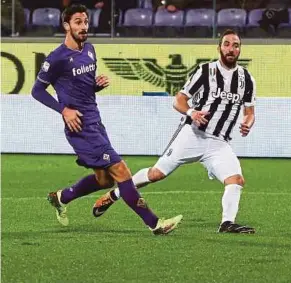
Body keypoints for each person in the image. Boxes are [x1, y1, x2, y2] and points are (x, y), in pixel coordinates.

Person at [31, 4, 182, 235]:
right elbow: (37, 91)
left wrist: (95, 86)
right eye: (78, 22)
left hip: (95, 121)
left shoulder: (90, 50)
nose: (83, 26)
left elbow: (81, 89)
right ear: (66, 26)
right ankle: (155, 224)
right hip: (80, 126)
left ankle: (61, 197)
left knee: (104, 180)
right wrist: (64, 110)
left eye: (86, 21)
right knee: (122, 171)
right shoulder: (57, 58)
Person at [92, 29, 257, 234]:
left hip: (219, 143)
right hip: (193, 135)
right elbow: (179, 100)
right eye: (227, 44)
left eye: (236, 45)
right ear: (219, 48)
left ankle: (227, 224)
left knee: (236, 180)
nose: (231, 49)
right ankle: (115, 194)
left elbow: (249, 112)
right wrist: (192, 112)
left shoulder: (246, 79)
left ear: (240, 49)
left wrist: (248, 122)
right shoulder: (205, 71)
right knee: (156, 174)